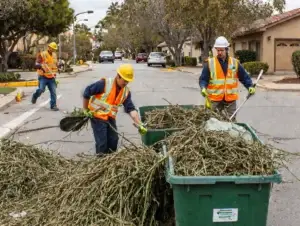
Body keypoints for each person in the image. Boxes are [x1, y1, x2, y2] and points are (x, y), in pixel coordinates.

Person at [82, 64, 147, 155]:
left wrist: (139, 124)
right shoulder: (104, 84)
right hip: (97, 116)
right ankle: (100, 164)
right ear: (118, 76)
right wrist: (85, 110)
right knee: (102, 143)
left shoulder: (126, 92)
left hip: (110, 118)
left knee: (114, 140)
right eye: (124, 80)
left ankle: (110, 161)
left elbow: (131, 109)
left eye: (128, 81)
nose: (126, 83)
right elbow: (87, 92)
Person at [199, 36, 256, 120]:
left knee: (230, 121)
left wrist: (250, 86)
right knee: (211, 121)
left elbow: (244, 77)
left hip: (230, 99)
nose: (219, 52)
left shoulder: (235, 63)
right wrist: (203, 87)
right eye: (217, 50)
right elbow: (203, 79)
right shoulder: (210, 63)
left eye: (221, 50)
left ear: (226, 49)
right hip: (214, 99)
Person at [31, 42, 59, 111]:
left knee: (53, 92)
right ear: (49, 47)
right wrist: (40, 66)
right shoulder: (42, 54)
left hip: (52, 77)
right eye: (52, 48)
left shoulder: (55, 55)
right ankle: (35, 96)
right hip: (43, 76)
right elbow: (36, 64)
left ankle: (53, 105)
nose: (53, 50)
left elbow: (55, 64)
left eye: (54, 49)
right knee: (41, 90)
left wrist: (59, 67)